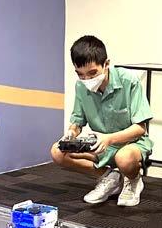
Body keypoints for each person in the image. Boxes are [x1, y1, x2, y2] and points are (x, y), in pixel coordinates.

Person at [51, 35, 153, 207]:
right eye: (80, 74)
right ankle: (109, 177)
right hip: (99, 145)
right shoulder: (81, 86)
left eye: (92, 73)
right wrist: (71, 133)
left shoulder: (129, 80)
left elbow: (140, 128)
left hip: (131, 144)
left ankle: (133, 180)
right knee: (57, 151)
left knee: (124, 158)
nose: (87, 80)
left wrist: (110, 139)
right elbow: (78, 122)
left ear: (106, 64)